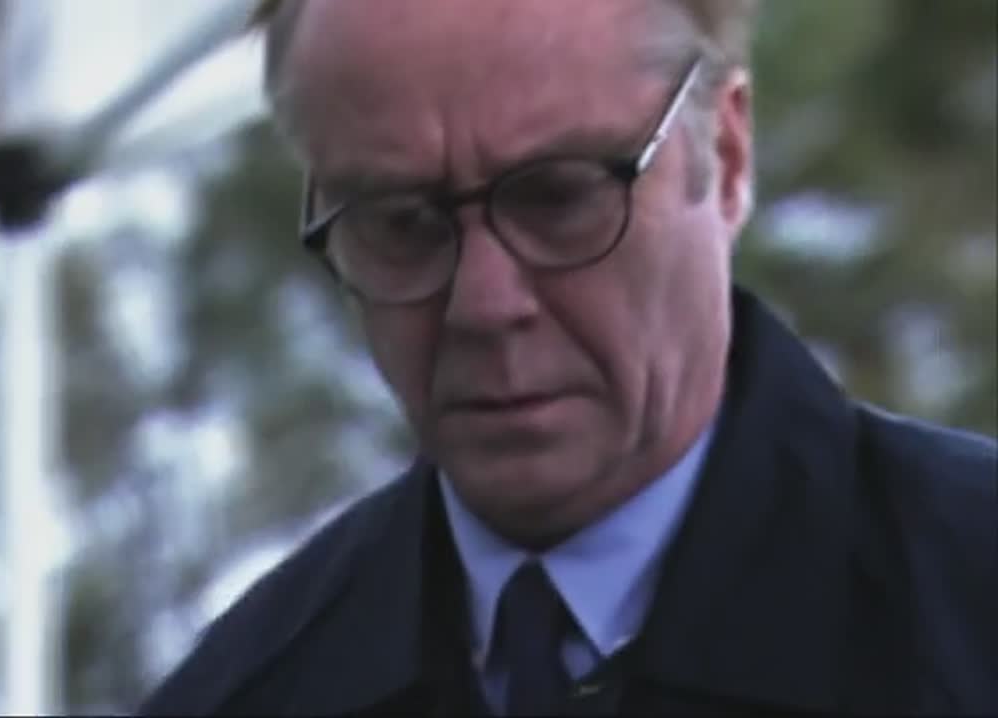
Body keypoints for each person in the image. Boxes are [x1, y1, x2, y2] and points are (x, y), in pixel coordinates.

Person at [139, 0, 998, 714]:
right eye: (403, 223)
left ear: (727, 157)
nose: (485, 305)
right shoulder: (244, 692)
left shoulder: (967, 610)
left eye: (559, 197)